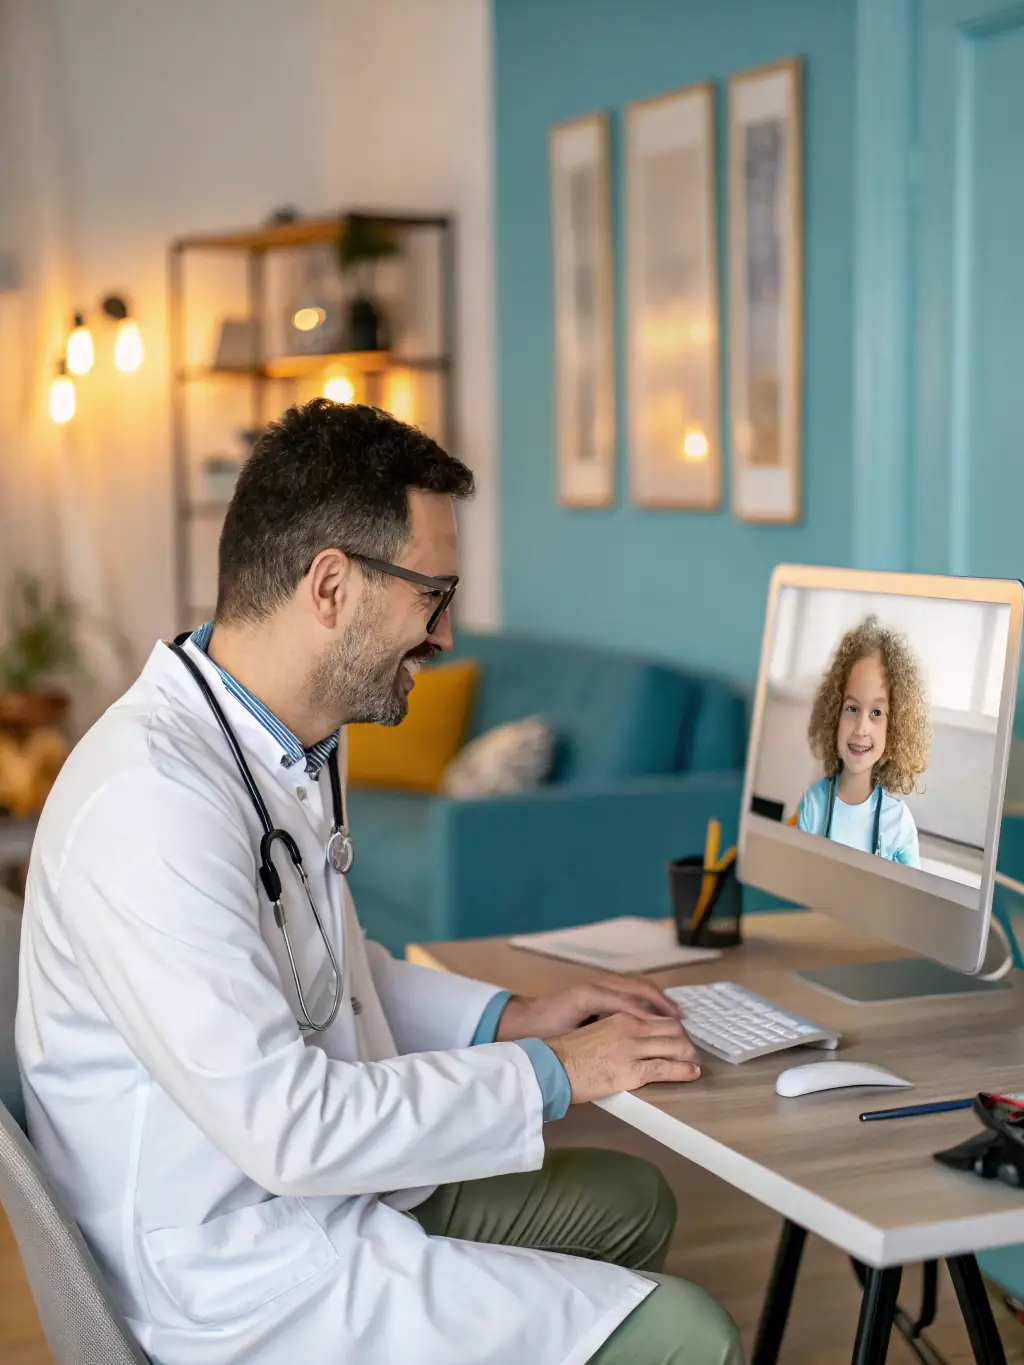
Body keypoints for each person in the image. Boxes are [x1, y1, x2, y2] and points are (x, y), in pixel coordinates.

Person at [16, 400, 742, 1365]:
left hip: (304, 1192)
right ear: (331, 585)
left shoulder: (288, 738)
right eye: (431, 595)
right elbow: (294, 1129)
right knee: (691, 1335)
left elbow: (331, 968)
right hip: (229, 1269)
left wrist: (514, 1017)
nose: (445, 635)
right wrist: (566, 1070)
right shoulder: (150, 804)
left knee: (635, 1198)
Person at [796, 615, 930, 866]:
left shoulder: (898, 823)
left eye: (877, 713)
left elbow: (908, 903)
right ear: (834, 715)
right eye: (852, 708)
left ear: (895, 730)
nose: (861, 728)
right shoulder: (814, 804)